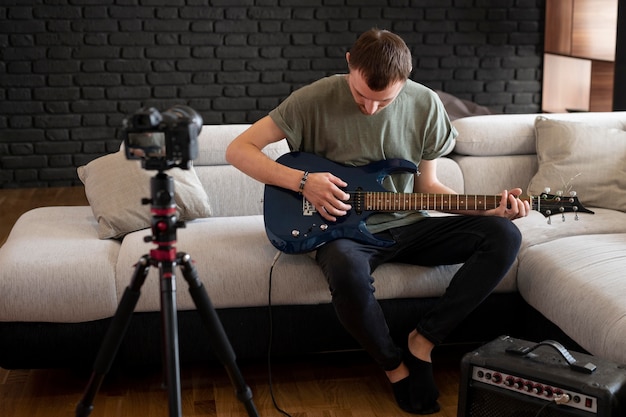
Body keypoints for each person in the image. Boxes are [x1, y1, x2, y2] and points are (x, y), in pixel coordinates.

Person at [226, 29, 529, 415]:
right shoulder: (312, 98)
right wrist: (303, 182)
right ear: (350, 62)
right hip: (343, 232)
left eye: (382, 101)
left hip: (411, 224)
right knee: (345, 270)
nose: (369, 108)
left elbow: (428, 186)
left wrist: (491, 210)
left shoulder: (426, 104)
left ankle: (423, 341)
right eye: (360, 96)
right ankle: (394, 366)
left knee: (504, 235)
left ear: (406, 79)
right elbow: (238, 150)